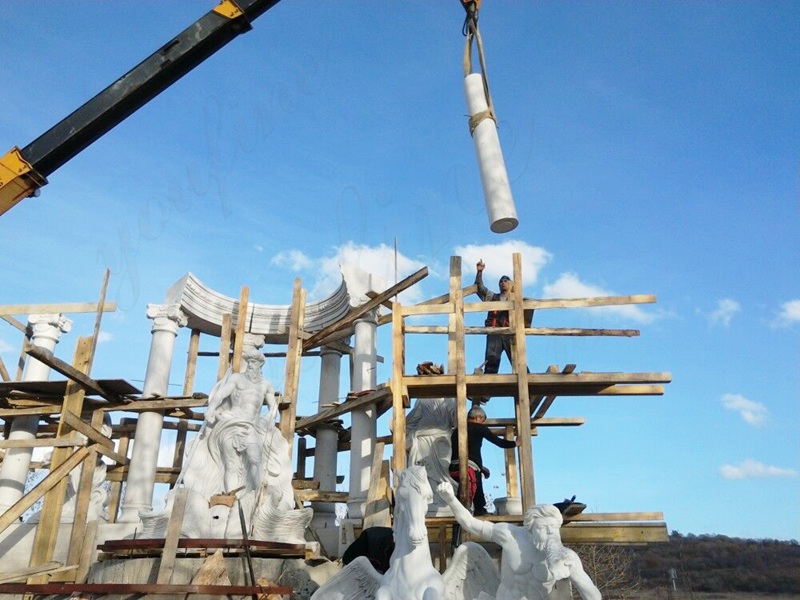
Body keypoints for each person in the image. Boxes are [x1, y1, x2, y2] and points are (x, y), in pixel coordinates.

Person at [437, 481, 602, 600]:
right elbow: (470, 523)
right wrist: (451, 499)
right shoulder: (510, 536)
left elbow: (593, 594)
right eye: (544, 528)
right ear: (531, 529)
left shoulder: (568, 558)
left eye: (553, 528)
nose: (550, 532)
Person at [449, 405, 518, 516]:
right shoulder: (479, 428)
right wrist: (515, 443)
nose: (482, 423)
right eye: (482, 421)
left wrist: (481, 467)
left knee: (464, 487)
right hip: (468, 467)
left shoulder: (457, 430)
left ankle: (461, 509)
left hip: (453, 467)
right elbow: (499, 442)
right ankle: (479, 510)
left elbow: (464, 451)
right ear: (478, 418)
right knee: (477, 485)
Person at [475, 259, 514, 374]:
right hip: (495, 332)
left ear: (511, 284)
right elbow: (480, 288)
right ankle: (487, 385)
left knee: (517, 358)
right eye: (501, 281)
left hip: (509, 332)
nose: (503, 283)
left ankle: (529, 382)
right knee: (492, 358)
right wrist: (479, 272)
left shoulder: (515, 299)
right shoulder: (493, 297)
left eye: (506, 281)